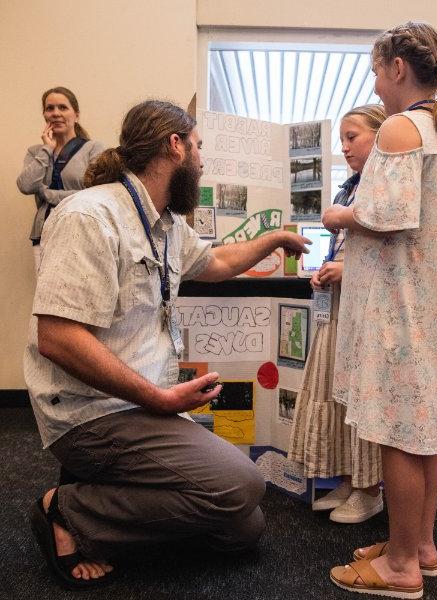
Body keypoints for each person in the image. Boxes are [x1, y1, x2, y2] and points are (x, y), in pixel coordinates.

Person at [24, 99, 310, 590]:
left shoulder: (166, 222)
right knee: (243, 486)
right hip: (92, 414)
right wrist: (158, 399)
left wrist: (274, 239)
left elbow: (214, 264)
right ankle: (66, 509)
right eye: (198, 147)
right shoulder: (89, 216)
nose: (203, 161)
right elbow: (57, 337)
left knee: (243, 528)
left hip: (141, 407)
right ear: (174, 146)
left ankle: (110, 499)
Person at [325, 22, 437, 598]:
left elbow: (383, 215)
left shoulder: (401, 127)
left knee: (400, 435)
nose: (376, 86)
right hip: (428, 305)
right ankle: (420, 547)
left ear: (397, 69)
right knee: (424, 431)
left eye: (376, 73)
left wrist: (338, 216)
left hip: (399, 307)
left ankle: (401, 567)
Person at [288, 104, 386, 524]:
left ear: (380, 138)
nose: (345, 147)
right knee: (336, 388)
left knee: (362, 394)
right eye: (342, 139)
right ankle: (350, 476)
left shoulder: (385, 186)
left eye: (353, 137)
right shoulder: (351, 186)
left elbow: (394, 253)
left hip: (369, 306)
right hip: (344, 302)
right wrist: (331, 273)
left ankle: (371, 489)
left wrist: (347, 269)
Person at [17, 87, 104, 270]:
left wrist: (48, 194)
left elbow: (97, 194)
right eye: (50, 108)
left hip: (81, 233)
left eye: (63, 107)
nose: (56, 113)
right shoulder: (36, 152)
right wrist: (47, 149)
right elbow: (26, 185)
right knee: (46, 296)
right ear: (44, 115)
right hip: (43, 235)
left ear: (76, 114)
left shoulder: (93, 149)